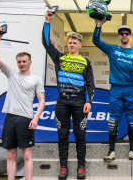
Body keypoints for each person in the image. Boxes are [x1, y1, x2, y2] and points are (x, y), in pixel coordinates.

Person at [43, 9, 95, 179]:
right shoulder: (60, 58)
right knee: (62, 135)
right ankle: (63, 167)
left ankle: (81, 167)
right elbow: (46, 42)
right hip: (62, 103)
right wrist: (47, 21)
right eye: (70, 43)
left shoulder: (86, 62)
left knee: (80, 135)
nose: (71, 45)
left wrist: (89, 102)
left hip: (80, 102)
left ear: (80, 45)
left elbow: (90, 83)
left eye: (74, 43)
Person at [0, 26, 45, 180]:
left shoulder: (36, 79)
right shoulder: (11, 73)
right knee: (11, 155)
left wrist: (35, 118)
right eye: (19, 62)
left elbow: (42, 101)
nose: (21, 64)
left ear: (30, 62)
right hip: (10, 118)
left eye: (24, 61)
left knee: (27, 155)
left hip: (26, 119)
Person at [92, 17, 133, 162]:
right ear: (118, 36)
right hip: (116, 89)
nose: (124, 35)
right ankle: (111, 151)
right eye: (122, 33)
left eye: (126, 33)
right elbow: (96, 41)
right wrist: (99, 24)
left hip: (131, 90)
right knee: (113, 121)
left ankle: (132, 151)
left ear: (130, 36)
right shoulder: (112, 49)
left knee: (132, 122)